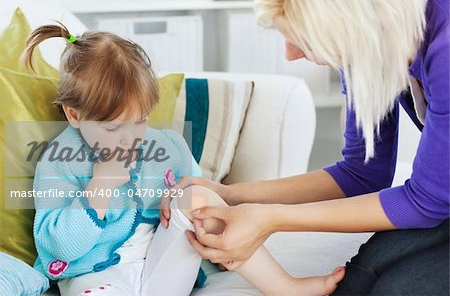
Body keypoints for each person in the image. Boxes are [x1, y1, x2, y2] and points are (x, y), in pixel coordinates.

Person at [27, 24, 348, 296]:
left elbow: (207, 205)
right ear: (74, 115)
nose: (129, 138)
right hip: (94, 280)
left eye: (139, 121)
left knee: (198, 197)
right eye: (112, 127)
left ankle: (285, 287)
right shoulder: (59, 162)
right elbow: (57, 249)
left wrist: (187, 203)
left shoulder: (164, 147)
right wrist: (99, 189)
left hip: (165, 269)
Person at [167, 0, 450, 295]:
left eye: (304, 41)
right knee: (355, 284)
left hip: (437, 207)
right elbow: (362, 174)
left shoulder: (442, 43)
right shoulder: (365, 44)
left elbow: (427, 202)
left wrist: (272, 219)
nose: (289, 54)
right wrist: (231, 195)